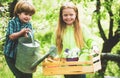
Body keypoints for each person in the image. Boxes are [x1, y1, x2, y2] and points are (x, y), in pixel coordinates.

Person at [51, 1, 99, 78]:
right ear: (61, 16)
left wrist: (94, 46)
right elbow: (53, 46)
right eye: (65, 15)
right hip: (66, 65)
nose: (68, 17)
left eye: (71, 14)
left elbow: (90, 40)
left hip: (80, 64)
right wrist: (51, 55)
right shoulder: (59, 30)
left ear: (76, 14)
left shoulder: (81, 28)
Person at [4, 0, 35, 78]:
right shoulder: (13, 22)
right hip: (11, 55)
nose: (28, 17)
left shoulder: (29, 24)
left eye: (30, 15)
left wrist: (26, 36)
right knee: (19, 75)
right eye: (26, 14)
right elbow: (11, 36)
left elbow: (29, 40)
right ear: (18, 13)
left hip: (23, 55)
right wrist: (21, 33)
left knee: (28, 74)